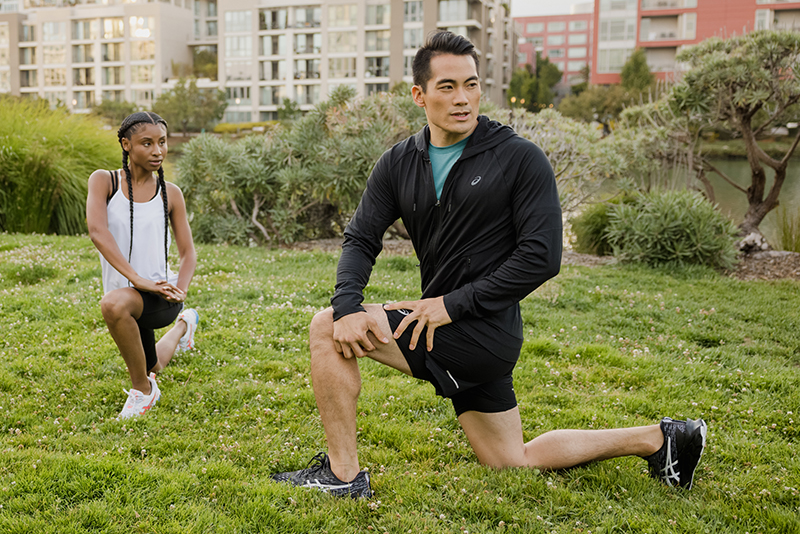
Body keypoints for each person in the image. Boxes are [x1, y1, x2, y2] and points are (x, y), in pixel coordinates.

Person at [271, 32, 707, 498]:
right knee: (510, 460)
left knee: (324, 328)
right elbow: (361, 238)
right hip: (454, 329)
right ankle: (661, 438)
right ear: (419, 95)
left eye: (471, 85)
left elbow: (543, 257)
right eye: (447, 87)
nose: (463, 99)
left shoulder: (519, 158)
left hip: (480, 330)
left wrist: (449, 306)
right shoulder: (399, 162)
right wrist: (349, 302)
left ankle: (342, 477)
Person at [86, 111, 199, 419]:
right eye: (146, 143)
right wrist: (136, 278)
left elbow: (188, 253)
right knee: (154, 364)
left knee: (112, 304)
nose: (157, 151)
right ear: (126, 144)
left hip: (158, 296)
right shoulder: (103, 182)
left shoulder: (170, 193)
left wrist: (180, 290)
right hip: (130, 292)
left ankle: (144, 392)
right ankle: (185, 326)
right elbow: (97, 231)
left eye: (162, 142)